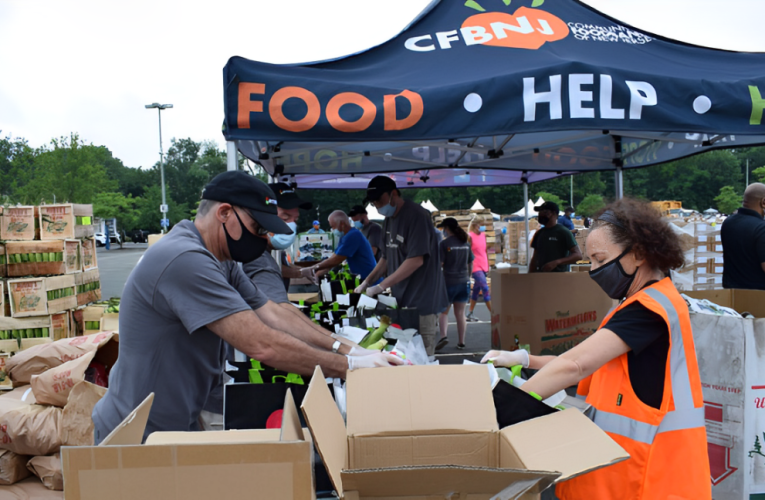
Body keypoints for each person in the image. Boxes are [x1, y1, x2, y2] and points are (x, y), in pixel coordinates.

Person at [92, 171, 401, 443]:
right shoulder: (185, 259)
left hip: (174, 422)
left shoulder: (221, 259)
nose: (262, 238)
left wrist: (349, 349)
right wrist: (349, 368)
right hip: (136, 431)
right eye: (257, 228)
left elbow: (275, 313)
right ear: (225, 213)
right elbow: (261, 343)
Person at [482, 198, 711, 500]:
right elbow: (590, 361)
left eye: (601, 260)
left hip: (648, 479)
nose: (593, 270)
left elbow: (576, 365)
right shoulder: (639, 303)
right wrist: (526, 359)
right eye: (590, 260)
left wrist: (503, 410)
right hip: (624, 472)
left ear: (639, 253)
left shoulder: (648, 310)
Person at [354, 176, 449, 356]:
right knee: (405, 356)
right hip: (401, 301)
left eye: (379, 201)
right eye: (373, 203)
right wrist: (367, 282)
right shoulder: (389, 220)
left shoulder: (417, 216)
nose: (377, 206)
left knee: (423, 357)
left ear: (394, 194)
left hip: (422, 302)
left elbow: (416, 260)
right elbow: (385, 258)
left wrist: (381, 286)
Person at [243, 182, 312, 302]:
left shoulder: (267, 251)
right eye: (285, 218)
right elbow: (275, 310)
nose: (291, 226)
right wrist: (301, 273)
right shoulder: (253, 256)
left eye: (295, 220)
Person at [301, 210, 377, 281]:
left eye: (333, 226)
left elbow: (336, 260)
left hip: (370, 281)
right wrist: (316, 274)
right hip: (363, 280)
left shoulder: (353, 235)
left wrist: (312, 268)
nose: (332, 230)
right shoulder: (344, 237)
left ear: (342, 224)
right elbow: (333, 258)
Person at [435, 218, 472, 351]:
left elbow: (440, 264)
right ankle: (461, 342)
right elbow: (470, 263)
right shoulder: (465, 244)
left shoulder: (444, 244)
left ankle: (443, 336)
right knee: (460, 313)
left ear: (447, 228)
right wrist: (468, 277)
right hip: (464, 282)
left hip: (448, 282)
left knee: (444, 312)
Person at [721, 182, 765, 289]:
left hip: (731, 293)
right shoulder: (761, 228)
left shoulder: (728, 222)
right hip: (758, 295)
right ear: (763, 202)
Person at [529, 201, 582, 272]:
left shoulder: (563, 232)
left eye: (544, 212)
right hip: (542, 277)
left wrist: (556, 262)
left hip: (560, 277)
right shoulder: (539, 233)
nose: (540, 214)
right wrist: (530, 276)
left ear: (553, 213)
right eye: (539, 212)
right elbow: (535, 258)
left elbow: (578, 255)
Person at [465, 219, 491, 322]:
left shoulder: (483, 235)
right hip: (475, 266)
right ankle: (493, 313)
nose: (483, 227)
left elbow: (485, 251)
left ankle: (470, 312)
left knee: (476, 289)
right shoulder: (470, 236)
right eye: (482, 225)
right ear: (476, 225)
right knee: (485, 288)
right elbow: (467, 252)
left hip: (483, 264)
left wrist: (488, 264)